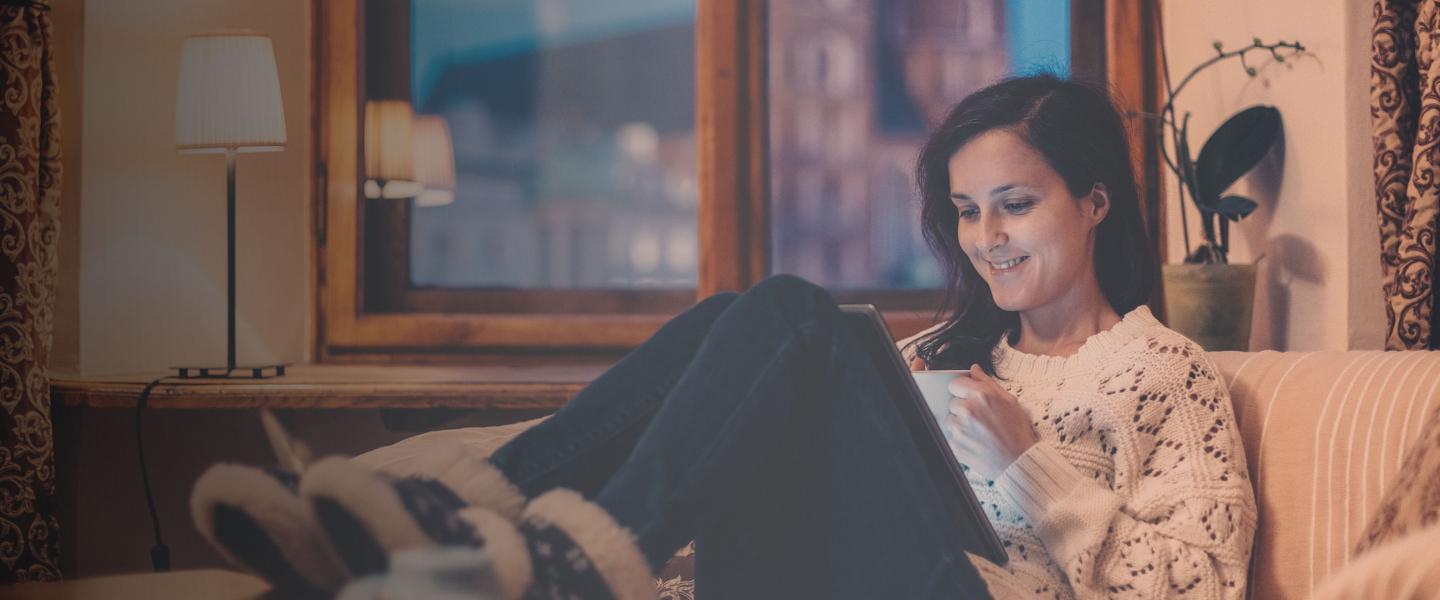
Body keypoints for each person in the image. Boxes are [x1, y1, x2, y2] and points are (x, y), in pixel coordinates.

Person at [191, 74, 1256, 599]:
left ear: (1099, 201)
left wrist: (1033, 465)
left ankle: (523, 548)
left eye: (1015, 204)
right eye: (968, 212)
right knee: (741, 328)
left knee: (795, 316)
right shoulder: (936, 355)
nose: (986, 238)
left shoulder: (1170, 374)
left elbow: (1199, 588)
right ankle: (453, 535)